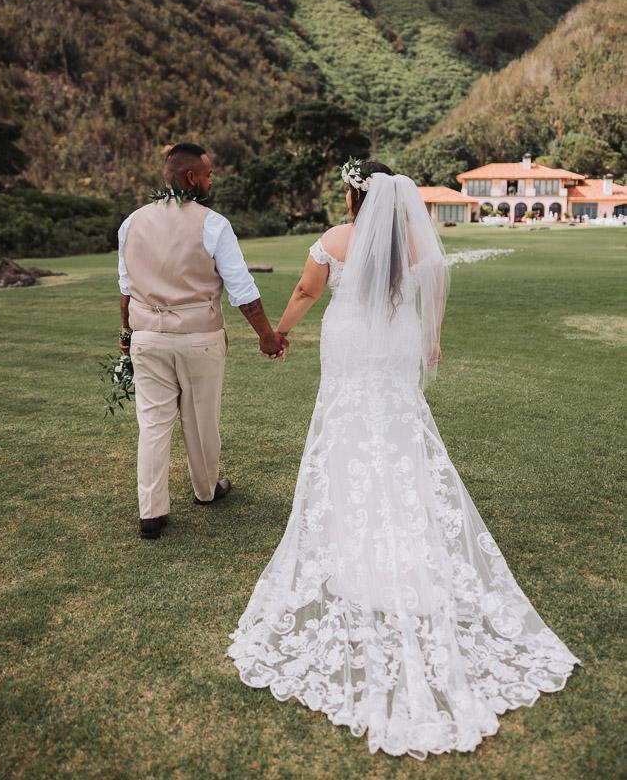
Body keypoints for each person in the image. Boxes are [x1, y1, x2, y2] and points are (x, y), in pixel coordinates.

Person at [228, 159, 578, 759]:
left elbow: (308, 289)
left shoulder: (339, 239)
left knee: (347, 434)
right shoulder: (412, 241)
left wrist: (279, 331)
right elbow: (434, 290)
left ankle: (351, 544)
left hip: (350, 344)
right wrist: (431, 339)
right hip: (392, 345)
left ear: (352, 196)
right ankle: (403, 546)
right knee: (396, 436)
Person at [117, 142, 287, 540]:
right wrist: (267, 335)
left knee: (153, 424)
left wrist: (126, 332)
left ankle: (151, 513)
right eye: (208, 175)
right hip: (198, 339)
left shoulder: (131, 223)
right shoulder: (213, 224)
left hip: (147, 338)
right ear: (191, 177)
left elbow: (125, 286)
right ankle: (206, 491)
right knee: (201, 419)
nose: (211, 181)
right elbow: (241, 288)